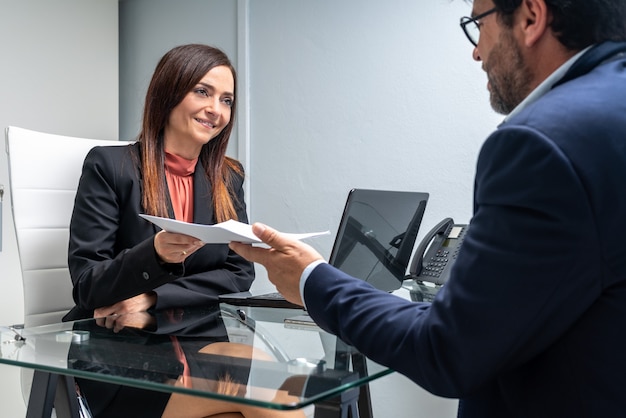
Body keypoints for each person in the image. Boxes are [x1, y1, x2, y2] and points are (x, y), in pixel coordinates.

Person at [230, 0, 626, 416]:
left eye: (478, 25)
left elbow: (449, 350)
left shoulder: (542, 144)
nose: (476, 50)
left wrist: (312, 280)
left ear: (530, 17)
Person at [64, 43, 264, 417]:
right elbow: (88, 284)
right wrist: (154, 253)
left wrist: (155, 296)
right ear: (169, 92)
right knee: (262, 400)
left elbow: (239, 273)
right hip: (123, 354)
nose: (216, 110)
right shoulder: (111, 166)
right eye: (202, 91)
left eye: (227, 100)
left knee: (275, 385)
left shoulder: (227, 178)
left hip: (197, 338)